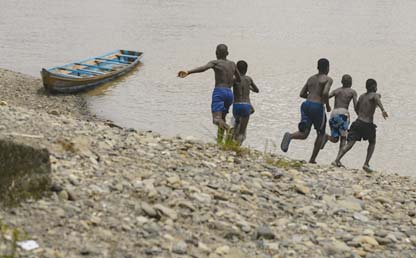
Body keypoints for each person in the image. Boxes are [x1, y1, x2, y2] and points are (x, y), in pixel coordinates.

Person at [178, 44, 240, 143]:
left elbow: (203, 68)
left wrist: (188, 72)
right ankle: (220, 143)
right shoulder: (233, 64)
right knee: (222, 119)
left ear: (216, 53)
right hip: (229, 93)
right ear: (227, 53)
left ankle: (229, 129)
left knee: (216, 119)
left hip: (219, 91)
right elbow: (239, 78)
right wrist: (230, 81)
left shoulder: (215, 62)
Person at [280, 58, 333, 163]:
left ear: (317, 67)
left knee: (304, 133)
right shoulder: (328, 79)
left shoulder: (311, 79)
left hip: (306, 105)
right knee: (321, 133)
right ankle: (312, 159)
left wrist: (311, 97)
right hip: (318, 107)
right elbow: (325, 93)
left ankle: (290, 136)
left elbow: (302, 94)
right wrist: (327, 105)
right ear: (327, 68)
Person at [332, 79, 388, 172]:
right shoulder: (374, 95)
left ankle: (337, 159)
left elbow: (357, 108)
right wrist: (383, 110)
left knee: (349, 143)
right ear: (374, 87)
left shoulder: (362, 96)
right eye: (376, 86)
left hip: (357, 123)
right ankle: (366, 163)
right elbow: (377, 98)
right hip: (368, 124)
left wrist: (361, 115)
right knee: (372, 142)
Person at [321, 74, 358, 158]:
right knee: (343, 138)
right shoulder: (352, 92)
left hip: (334, 113)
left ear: (341, 82)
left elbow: (326, 96)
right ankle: (338, 159)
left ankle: (327, 137)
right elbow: (355, 106)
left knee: (335, 138)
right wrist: (359, 115)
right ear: (351, 83)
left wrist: (326, 105)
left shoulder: (337, 90)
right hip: (343, 114)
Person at [232, 60, 259, 145]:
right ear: (246, 69)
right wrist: (249, 88)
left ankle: (230, 141)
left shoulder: (234, 79)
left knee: (236, 124)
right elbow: (257, 90)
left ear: (236, 69)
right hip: (246, 105)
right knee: (242, 132)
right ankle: (237, 146)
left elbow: (227, 86)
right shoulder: (249, 79)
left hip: (236, 105)